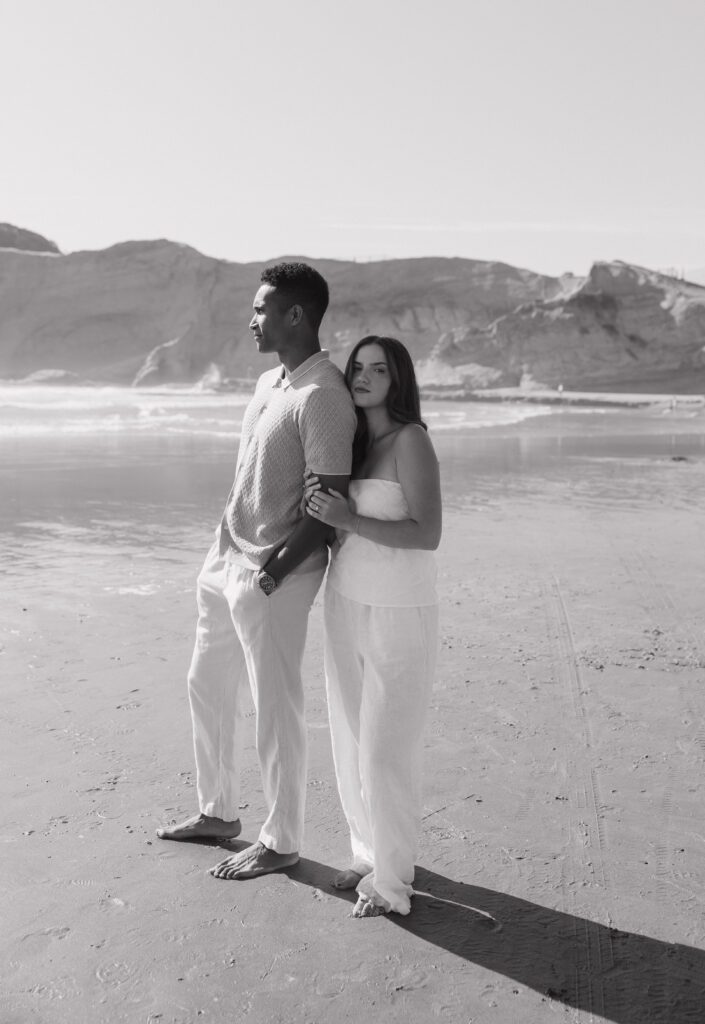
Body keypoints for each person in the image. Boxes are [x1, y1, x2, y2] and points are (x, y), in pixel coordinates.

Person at [157, 262, 357, 881]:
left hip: (274, 572)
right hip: (227, 558)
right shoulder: (271, 380)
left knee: (275, 706)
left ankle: (282, 840)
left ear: (295, 315)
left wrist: (272, 573)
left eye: (262, 308)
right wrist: (222, 550)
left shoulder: (322, 395)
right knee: (205, 685)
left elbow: (327, 505)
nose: (253, 319)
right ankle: (218, 811)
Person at [305, 335, 441, 916]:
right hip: (345, 598)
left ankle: (392, 883)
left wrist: (348, 518)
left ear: (398, 379)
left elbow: (426, 534)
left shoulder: (411, 441)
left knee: (386, 747)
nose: (362, 377)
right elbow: (341, 525)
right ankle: (368, 851)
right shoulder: (357, 444)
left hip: (398, 608)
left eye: (377, 370)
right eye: (356, 367)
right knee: (350, 735)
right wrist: (329, 521)